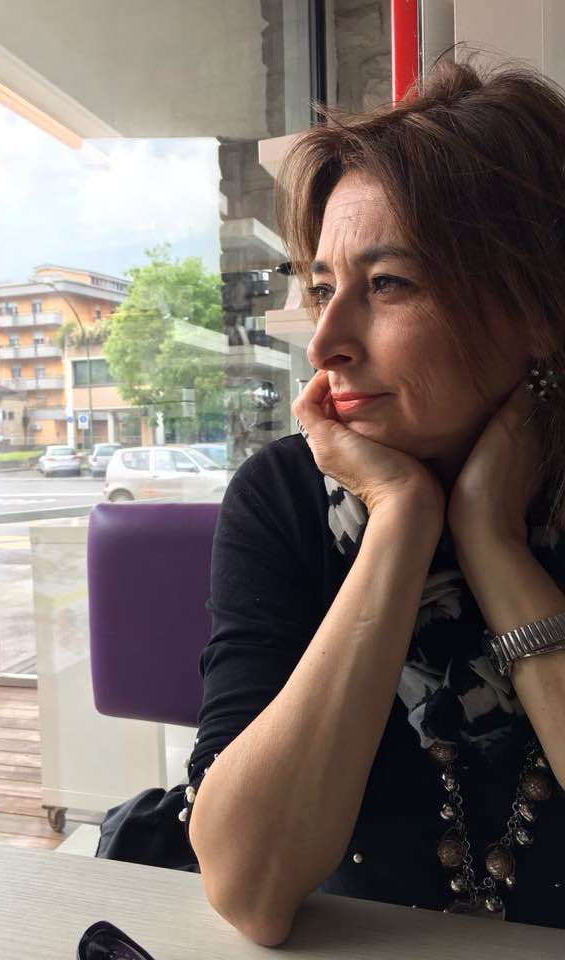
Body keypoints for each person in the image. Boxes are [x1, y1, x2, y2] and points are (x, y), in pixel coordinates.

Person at [179, 57, 565, 946]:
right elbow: (248, 887)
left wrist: (493, 542)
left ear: (539, 306)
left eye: (388, 284)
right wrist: (400, 519)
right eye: (322, 288)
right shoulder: (283, 498)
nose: (325, 342)